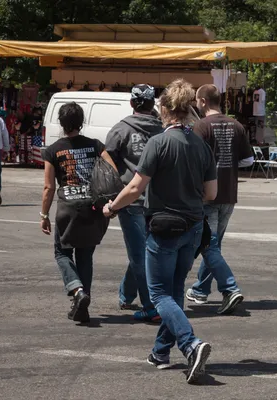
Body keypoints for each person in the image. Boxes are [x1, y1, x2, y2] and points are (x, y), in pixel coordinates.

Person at [102, 79, 217, 384]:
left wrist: (112, 206)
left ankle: (191, 344)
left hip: (165, 226)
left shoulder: (159, 143)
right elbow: (211, 193)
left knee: (159, 294)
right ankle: (160, 352)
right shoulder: (201, 145)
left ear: (164, 109)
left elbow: (136, 186)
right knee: (176, 290)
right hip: (193, 226)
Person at [41, 102, 117, 323]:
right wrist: (112, 204)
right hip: (92, 209)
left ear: (61, 123)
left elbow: (49, 188)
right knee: (85, 256)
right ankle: (83, 304)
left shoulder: (53, 150)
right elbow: (112, 173)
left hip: (68, 210)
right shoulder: (96, 145)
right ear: (81, 122)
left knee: (62, 253)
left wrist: (44, 215)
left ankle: (77, 291)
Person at [185, 84, 253, 315]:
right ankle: (200, 290)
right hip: (229, 194)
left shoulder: (200, 127)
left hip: (206, 195)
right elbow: (248, 161)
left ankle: (229, 288)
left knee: (208, 244)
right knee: (213, 244)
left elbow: (192, 162)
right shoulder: (236, 125)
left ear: (203, 102)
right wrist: (228, 164)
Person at [106, 84, 163, 322]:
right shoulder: (163, 130)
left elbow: (106, 156)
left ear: (132, 103)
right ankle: (126, 295)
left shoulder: (120, 130)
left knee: (139, 254)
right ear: (152, 105)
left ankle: (150, 305)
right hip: (159, 201)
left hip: (130, 200)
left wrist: (117, 184)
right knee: (145, 251)